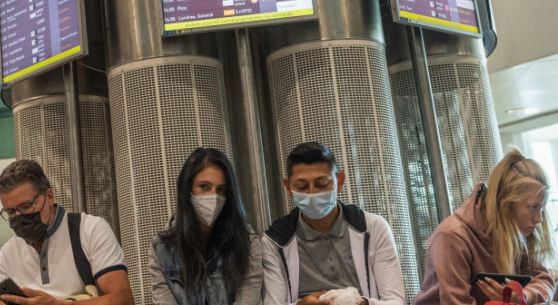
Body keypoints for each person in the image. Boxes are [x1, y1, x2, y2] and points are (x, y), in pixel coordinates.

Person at [0, 159, 134, 305]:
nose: (19, 217)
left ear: (49, 196)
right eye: (10, 212)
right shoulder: (9, 252)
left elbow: (122, 299)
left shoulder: (90, 230)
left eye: (26, 207)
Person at [262, 142, 405, 305]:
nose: (311, 193)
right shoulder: (275, 240)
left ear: (340, 180)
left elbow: (395, 301)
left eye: (321, 184)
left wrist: (361, 303)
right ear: (288, 187)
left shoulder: (373, 228)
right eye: (301, 186)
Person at [413, 150, 556, 304]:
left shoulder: (520, 230)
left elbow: (543, 279)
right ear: (505, 202)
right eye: (533, 207)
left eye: (542, 208)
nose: (539, 219)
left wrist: (523, 297)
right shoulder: (452, 236)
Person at [149, 147, 263, 304]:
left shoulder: (247, 242)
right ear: (187, 189)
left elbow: (249, 300)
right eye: (204, 187)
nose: (213, 196)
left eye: (221, 190)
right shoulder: (161, 249)